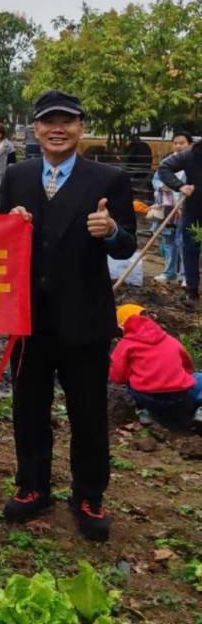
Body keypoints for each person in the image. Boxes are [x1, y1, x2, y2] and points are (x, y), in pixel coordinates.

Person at [0, 90, 136, 542]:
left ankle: (89, 495)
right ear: (35, 129)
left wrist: (110, 230)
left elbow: (127, 245)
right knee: (29, 409)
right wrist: (8, 222)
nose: (58, 129)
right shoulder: (17, 176)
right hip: (29, 319)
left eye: (67, 121)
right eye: (48, 121)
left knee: (88, 413)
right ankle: (32, 485)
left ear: (80, 128)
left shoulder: (108, 180)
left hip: (85, 319)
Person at [110, 303, 202, 431]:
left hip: (148, 398)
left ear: (121, 327)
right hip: (180, 396)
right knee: (199, 378)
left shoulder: (125, 346)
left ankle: (145, 414)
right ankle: (200, 411)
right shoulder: (168, 339)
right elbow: (188, 366)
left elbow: (117, 378)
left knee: (131, 378)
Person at [158, 131, 197, 301]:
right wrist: (179, 186)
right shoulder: (191, 155)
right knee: (184, 245)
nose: (178, 146)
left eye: (182, 142)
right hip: (191, 209)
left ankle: (188, 280)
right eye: (176, 142)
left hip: (188, 209)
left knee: (184, 243)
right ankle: (190, 288)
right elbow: (162, 170)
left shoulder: (191, 155)